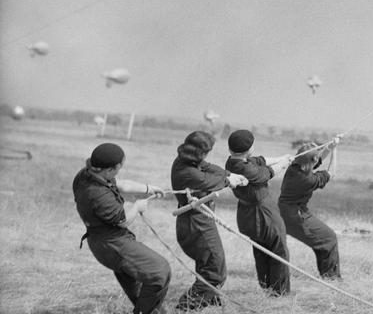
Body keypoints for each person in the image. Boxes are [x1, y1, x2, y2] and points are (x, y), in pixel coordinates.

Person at [73, 142, 171, 314]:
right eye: (118, 168)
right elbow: (123, 221)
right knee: (159, 271)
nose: (119, 171)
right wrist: (137, 207)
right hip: (111, 244)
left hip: (108, 240)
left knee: (141, 286)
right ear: (110, 169)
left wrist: (148, 188)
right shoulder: (96, 193)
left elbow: (122, 184)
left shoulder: (87, 174)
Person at [171, 130, 248, 311]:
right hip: (196, 224)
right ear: (201, 152)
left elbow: (210, 168)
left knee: (209, 264)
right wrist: (229, 180)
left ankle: (208, 299)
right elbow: (208, 180)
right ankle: (186, 308)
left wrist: (228, 175)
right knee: (216, 271)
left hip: (197, 222)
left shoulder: (186, 160)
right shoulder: (188, 172)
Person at [225, 130, 294, 296]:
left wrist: (282, 157)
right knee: (278, 248)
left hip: (248, 214)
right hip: (263, 213)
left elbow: (261, 161)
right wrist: (284, 164)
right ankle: (279, 293)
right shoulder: (246, 169)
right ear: (250, 149)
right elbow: (266, 173)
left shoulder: (233, 162)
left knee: (261, 248)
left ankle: (268, 287)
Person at [279, 136, 341, 279]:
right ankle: (331, 278)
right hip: (295, 215)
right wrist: (335, 150)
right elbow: (332, 173)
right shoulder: (307, 180)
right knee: (329, 238)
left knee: (323, 239)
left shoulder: (295, 167)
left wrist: (329, 148)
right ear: (311, 161)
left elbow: (315, 160)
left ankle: (327, 274)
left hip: (286, 211)